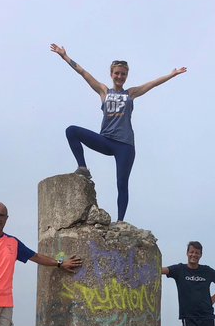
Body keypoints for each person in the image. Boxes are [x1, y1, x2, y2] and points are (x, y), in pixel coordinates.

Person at [50, 43, 186, 222]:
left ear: (126, 76)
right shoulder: (103, 91)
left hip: (125, 146)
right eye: (117, 73)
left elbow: (152, 84)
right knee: (71, 131)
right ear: (111, 74)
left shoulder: (131, 93)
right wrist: (64, 56)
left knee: (122, 183)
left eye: (123, 74)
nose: (120, 76)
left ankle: (120, 221)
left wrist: (172, 74)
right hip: (106, 140)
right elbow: (83, 72)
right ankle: (82, 168)